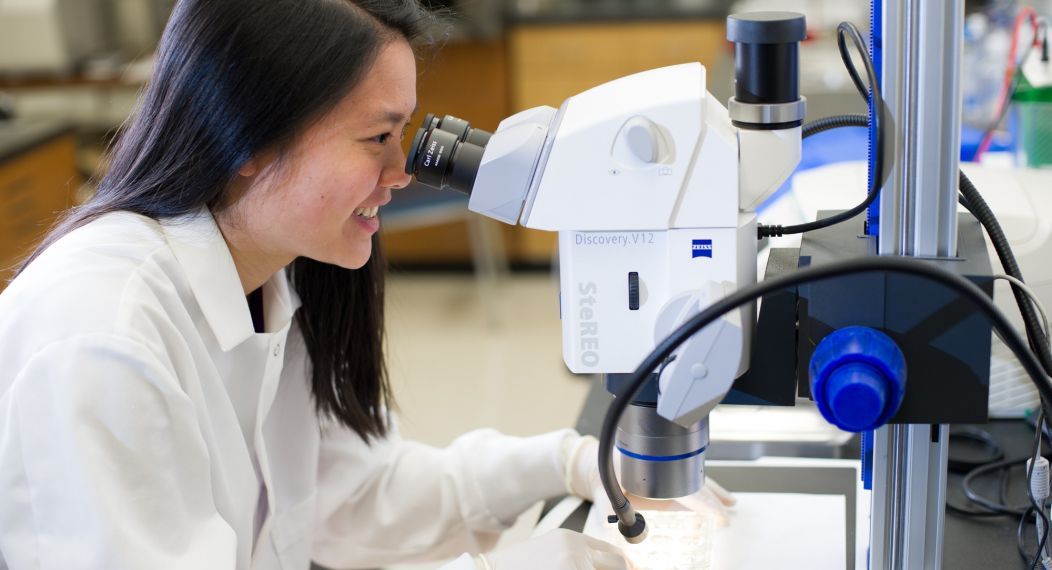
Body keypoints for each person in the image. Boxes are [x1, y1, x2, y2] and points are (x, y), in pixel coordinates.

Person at [0, 1, 733, 569]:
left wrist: (565, 462)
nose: (403, 173)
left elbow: (353, 497)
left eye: (406, 133)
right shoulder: (103, 339)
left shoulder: (270, 281)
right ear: (251, 139)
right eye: (375, 138)